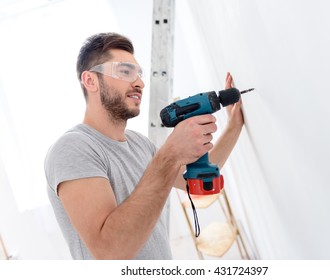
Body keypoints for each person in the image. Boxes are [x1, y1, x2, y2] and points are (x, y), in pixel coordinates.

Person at [44, 32, 244, 260]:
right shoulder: (73, 148)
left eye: (139, 74)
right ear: (90, 80)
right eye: (125, 72)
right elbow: (110, 251)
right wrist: (170, 153)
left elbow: (199, 176)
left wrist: (235, 125)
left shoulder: (139, 144)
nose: (139, 82)